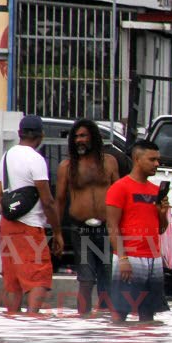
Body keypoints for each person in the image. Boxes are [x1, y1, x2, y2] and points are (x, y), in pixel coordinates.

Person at [0, 114, 64, 315]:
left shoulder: (6, 157)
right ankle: (32, 320)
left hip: (6, 227)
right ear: (41, 135)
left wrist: (9, 213)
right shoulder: (36, 159)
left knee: (12, 279)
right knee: (38, 276)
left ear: (19, 134)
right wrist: (57, 233)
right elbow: (48, 201)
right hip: (30, 228)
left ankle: (13, 319)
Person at [55, 119, 122, 316]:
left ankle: (105, 325)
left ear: (93, 137)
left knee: (107, 280)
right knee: (85, 279)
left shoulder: (109, 162)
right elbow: (59, 201)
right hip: (80, 230)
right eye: (76, 137)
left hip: (106, 229)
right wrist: (57, 233)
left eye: (83, 135)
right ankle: (83, 323)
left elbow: (120, 195)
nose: (79, 140)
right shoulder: (66, 166)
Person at [105, 141, 171, 323]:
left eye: (158, 160)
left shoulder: (156, 190)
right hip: (129, 257)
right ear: (137, 159)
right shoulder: (119, 188)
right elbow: (112, 225)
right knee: (120, 312)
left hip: (153, 258)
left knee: (148, 315)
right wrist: (123, 258)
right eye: (152, 159)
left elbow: (161, 229)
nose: (157, 164)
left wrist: (162, 214)